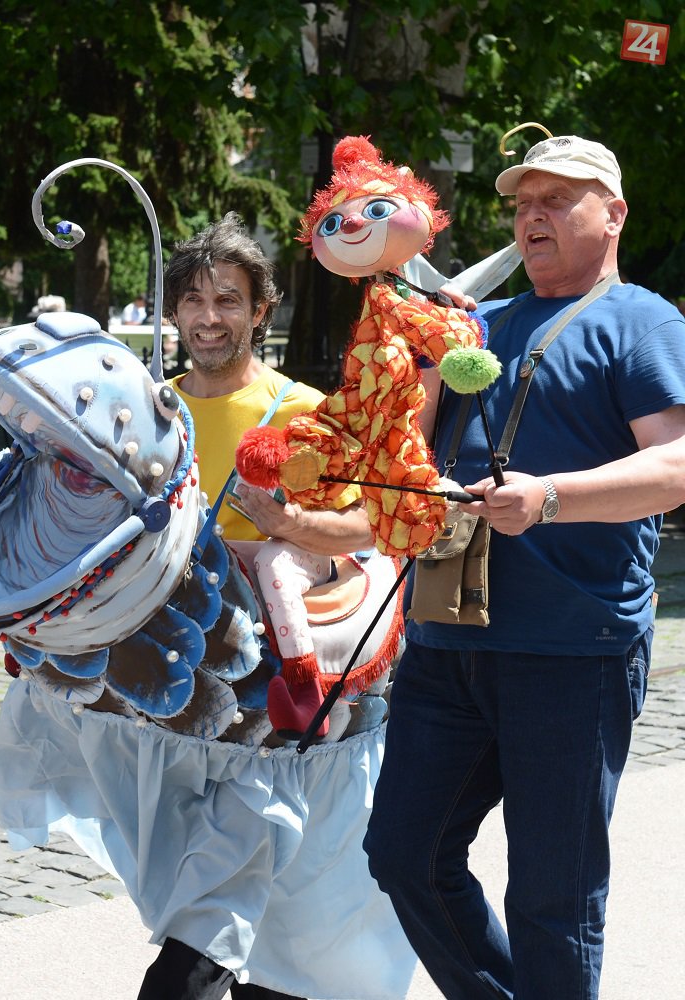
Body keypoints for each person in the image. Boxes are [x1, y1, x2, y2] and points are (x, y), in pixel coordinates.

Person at [364, 133, 685, 1000]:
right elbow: (404, 442)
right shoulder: (476, 323)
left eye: (556, 200)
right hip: (446, 639)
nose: (531, 217)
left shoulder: (645, 321)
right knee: (403, 853)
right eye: (522, 204)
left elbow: (677, 464)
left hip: (573, 648)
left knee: (553, 899)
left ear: (613, 215)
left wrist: (548, 498)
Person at [136, 211, 373, 1000]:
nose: (209, 318)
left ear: (261, 309)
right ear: (173, 312)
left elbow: (370, 528)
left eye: (228, 300)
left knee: (222, 887)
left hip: (271, 693)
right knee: (227, 882)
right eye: (194, 300)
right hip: (166, 690)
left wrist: (288, 526)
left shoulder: (301, 409)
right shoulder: (149, 410)